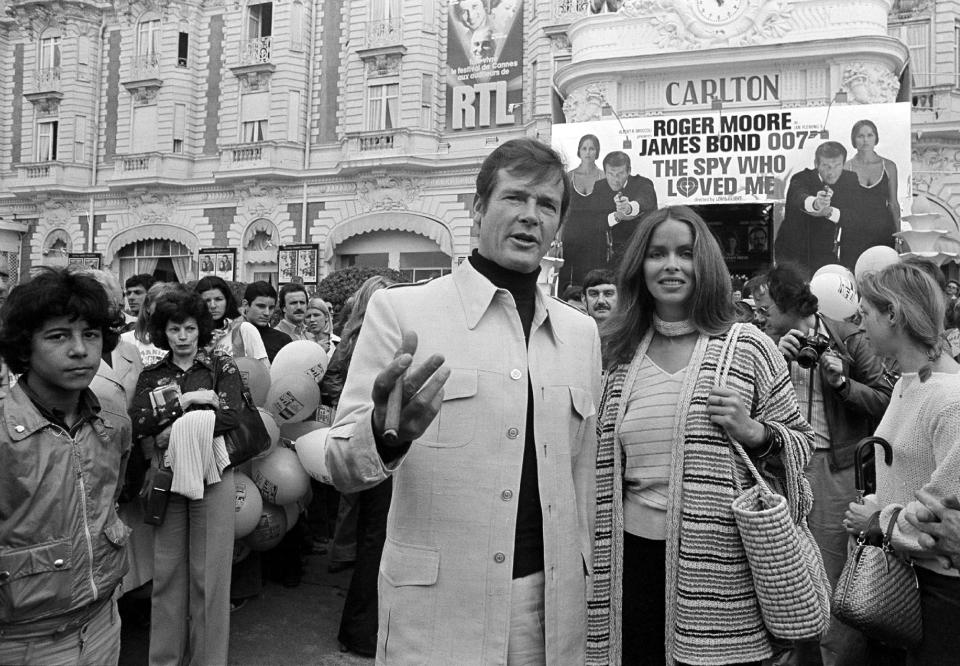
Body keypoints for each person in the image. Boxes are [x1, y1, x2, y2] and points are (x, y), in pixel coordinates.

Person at [320, 138, 600, 662]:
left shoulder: (581, 333)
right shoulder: (402, 312)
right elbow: (340, 466)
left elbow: (582, 480)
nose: (530, 217)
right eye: (515, 198)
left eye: (547, 206)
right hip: (438, 617)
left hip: (552, 611)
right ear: (477, 209)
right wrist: (382, 437)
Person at [589, 205, 815, 665]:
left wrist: (755, 432)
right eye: (657, 254)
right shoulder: (616, 354)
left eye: (685, 253)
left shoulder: (749, 346)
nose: (671, 265)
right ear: (640, 266)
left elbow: (802, 442)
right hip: (629, 561)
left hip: (721, 566)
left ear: (705, 264)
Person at [752, 263, 892, 666]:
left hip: (834, 465)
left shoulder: (847, 336)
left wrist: (842, 384)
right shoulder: (765, 343)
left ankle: (832, 658)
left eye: (766, 307)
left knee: (832, 564)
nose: (761, 314)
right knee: (786, 566)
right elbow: (750, 405)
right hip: (782, 466)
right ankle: (797, 653)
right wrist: (774, 361)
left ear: (787, 303)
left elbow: (885, 397)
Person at [0, 268, 132, 665]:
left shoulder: (114, 421)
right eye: (59, 336)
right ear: (26, 348)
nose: (80, 350)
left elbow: (114, 497)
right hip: (24, 641)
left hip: (103, 623)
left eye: (90, 335)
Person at [843, 262, 960, 666]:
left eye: (865, 315)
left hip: (939, 593)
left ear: (892, 314)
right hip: (902, 580)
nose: (861, 327)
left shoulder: (950, 399)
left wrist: (879, 519)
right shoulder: (907, 383)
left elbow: (946, 516)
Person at [131, 289, 245, 666]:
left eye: (190, 328)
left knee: (210, 578)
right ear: (164, 332)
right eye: (175, 328)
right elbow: (138, 422)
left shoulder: (221, 366)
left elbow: (232, 417)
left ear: (202, 329)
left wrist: (170, 431)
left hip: (214, 476)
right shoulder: (152, 374)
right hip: (168, 476)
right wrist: (188, 401)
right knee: (166, 576)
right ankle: (163, 660)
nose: (182, 335)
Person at [315, 275, 396, 657]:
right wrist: (360, 415)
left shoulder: (369, 335)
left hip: (380, 444)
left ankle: (362, 626)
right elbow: (334, 383)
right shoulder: (359, 339)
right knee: (374, 538)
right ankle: (361, 629)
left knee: (372, 536)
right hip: (368, 443)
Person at [561, 150, 658, 287]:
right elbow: (594, 221)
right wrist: (616, 216)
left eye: (620, 174)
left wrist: (629, 207)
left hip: (638, 253)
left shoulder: (643, 184)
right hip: (608, 256)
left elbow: (646, 200)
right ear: (605, 172)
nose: (615, 179)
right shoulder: (600, 187)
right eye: (610, 174)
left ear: (629, 171)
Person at [775, 141, 863, 273]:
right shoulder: (800, 178)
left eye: (837, 165)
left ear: (844, 164)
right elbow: (799, 197)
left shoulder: (850, 180)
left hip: (825, 252)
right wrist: (816, 203)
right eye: (826, 166)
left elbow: (856, 215)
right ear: (816, 164)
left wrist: (829, 212)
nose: (831, 172)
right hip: (792, 253)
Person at [843, 119, 900, 265]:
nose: (865, 140)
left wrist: (899, 236)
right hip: (853, 233)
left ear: (876, 138)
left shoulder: (889, 166)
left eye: (869, 135)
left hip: (883, 231)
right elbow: (841, 205)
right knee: (854, 272)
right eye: (860, 136)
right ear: (854, 140)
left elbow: (893, 203)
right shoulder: (845, 167)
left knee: (883, 274)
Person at [196, 275, 269, 368]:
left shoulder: (243, 329)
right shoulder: (191, 332)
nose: (213, 305)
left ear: (227, 301)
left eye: (218, 299)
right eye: (207, 300)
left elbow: (264, 369)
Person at [121, 282, 182, 368]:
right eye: (161, 303)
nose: (166, 308)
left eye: (171, 304)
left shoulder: (183, 339)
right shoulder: (125, 340)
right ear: (148, 307)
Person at [241, 281, 292, 362]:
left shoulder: (283, 340)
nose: (267, 313)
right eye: (261, 306)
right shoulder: (230, 335)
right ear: (245, 304)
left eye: (271, 308)